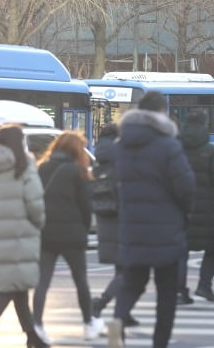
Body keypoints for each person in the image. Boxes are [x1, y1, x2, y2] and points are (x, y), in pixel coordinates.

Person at [108, 91, 195, 348]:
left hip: (132, 229)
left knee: (132, 283)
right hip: (166, 230)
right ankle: (160, 343)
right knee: (166, 294)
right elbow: (186, 187)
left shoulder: (120, 146)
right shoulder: (169, 145)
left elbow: (114, 186)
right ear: (161, 113)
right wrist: (183, 213)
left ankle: (118, 321)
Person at [0, 125, 48, 348]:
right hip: (22, 237)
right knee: (10, 289)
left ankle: (32, 336)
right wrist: (38, 225)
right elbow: (36, 206)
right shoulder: (25, 169)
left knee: (17, 289)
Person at [33, 131, 104, 342]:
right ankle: (88, 323)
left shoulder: (42, 168)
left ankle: (36, 324)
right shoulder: (78, 170)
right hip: (73, 233)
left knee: (42, 281)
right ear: (76, 150)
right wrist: (83, 230)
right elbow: (86, 206)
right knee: (80, 280)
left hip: (46, 232)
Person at [177, 111, 214, 304]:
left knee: (181, 253)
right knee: (212, 249)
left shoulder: (176, 148)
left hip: (181, 210)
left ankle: (180, 291)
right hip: (208, 211)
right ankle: (204, 286)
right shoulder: (210, 151)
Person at [90, 124, 139, 326]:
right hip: (123, 221)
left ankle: (123, 312)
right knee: (130, 271)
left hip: (104, 221)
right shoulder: (122, 160)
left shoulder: (98, 162)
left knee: (122, 270)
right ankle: (101, 302)